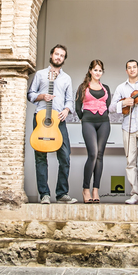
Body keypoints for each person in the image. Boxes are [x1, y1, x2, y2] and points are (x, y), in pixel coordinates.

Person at [28, 44, 77, 204]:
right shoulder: (40, 74)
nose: (58, 57)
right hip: (41, 118)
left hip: (59, 120)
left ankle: (62, 193)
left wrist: (67, 109)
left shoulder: (66, 78)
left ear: (64, 59)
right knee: (41, 157)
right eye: (56, 54)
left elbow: (70, 99)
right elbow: (30, 95)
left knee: (65, 156)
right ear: (51, 55)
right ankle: (44, 194)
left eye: (62, 55)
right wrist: (42, 96)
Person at [109, 59, 138, 205]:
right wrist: (123, 103)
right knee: (130, 162)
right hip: (127, 127)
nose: (132, 69)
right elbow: (111, 108)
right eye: (129, 67)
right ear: (126, 71)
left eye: (134, 67)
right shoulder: (121, 88)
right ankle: (135, 194)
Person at [75, 59, 111, 203]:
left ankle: (96, 190)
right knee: (93, 154)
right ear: (90, 71)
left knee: (100, 155)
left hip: (104, 123)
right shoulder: (83, 87)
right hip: (88, 122)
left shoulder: (106, 87)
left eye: (100, 70)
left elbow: (107, 105)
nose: (97, 73)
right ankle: (85, 189)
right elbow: (78, 108)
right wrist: (84, 119)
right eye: (95, 70)